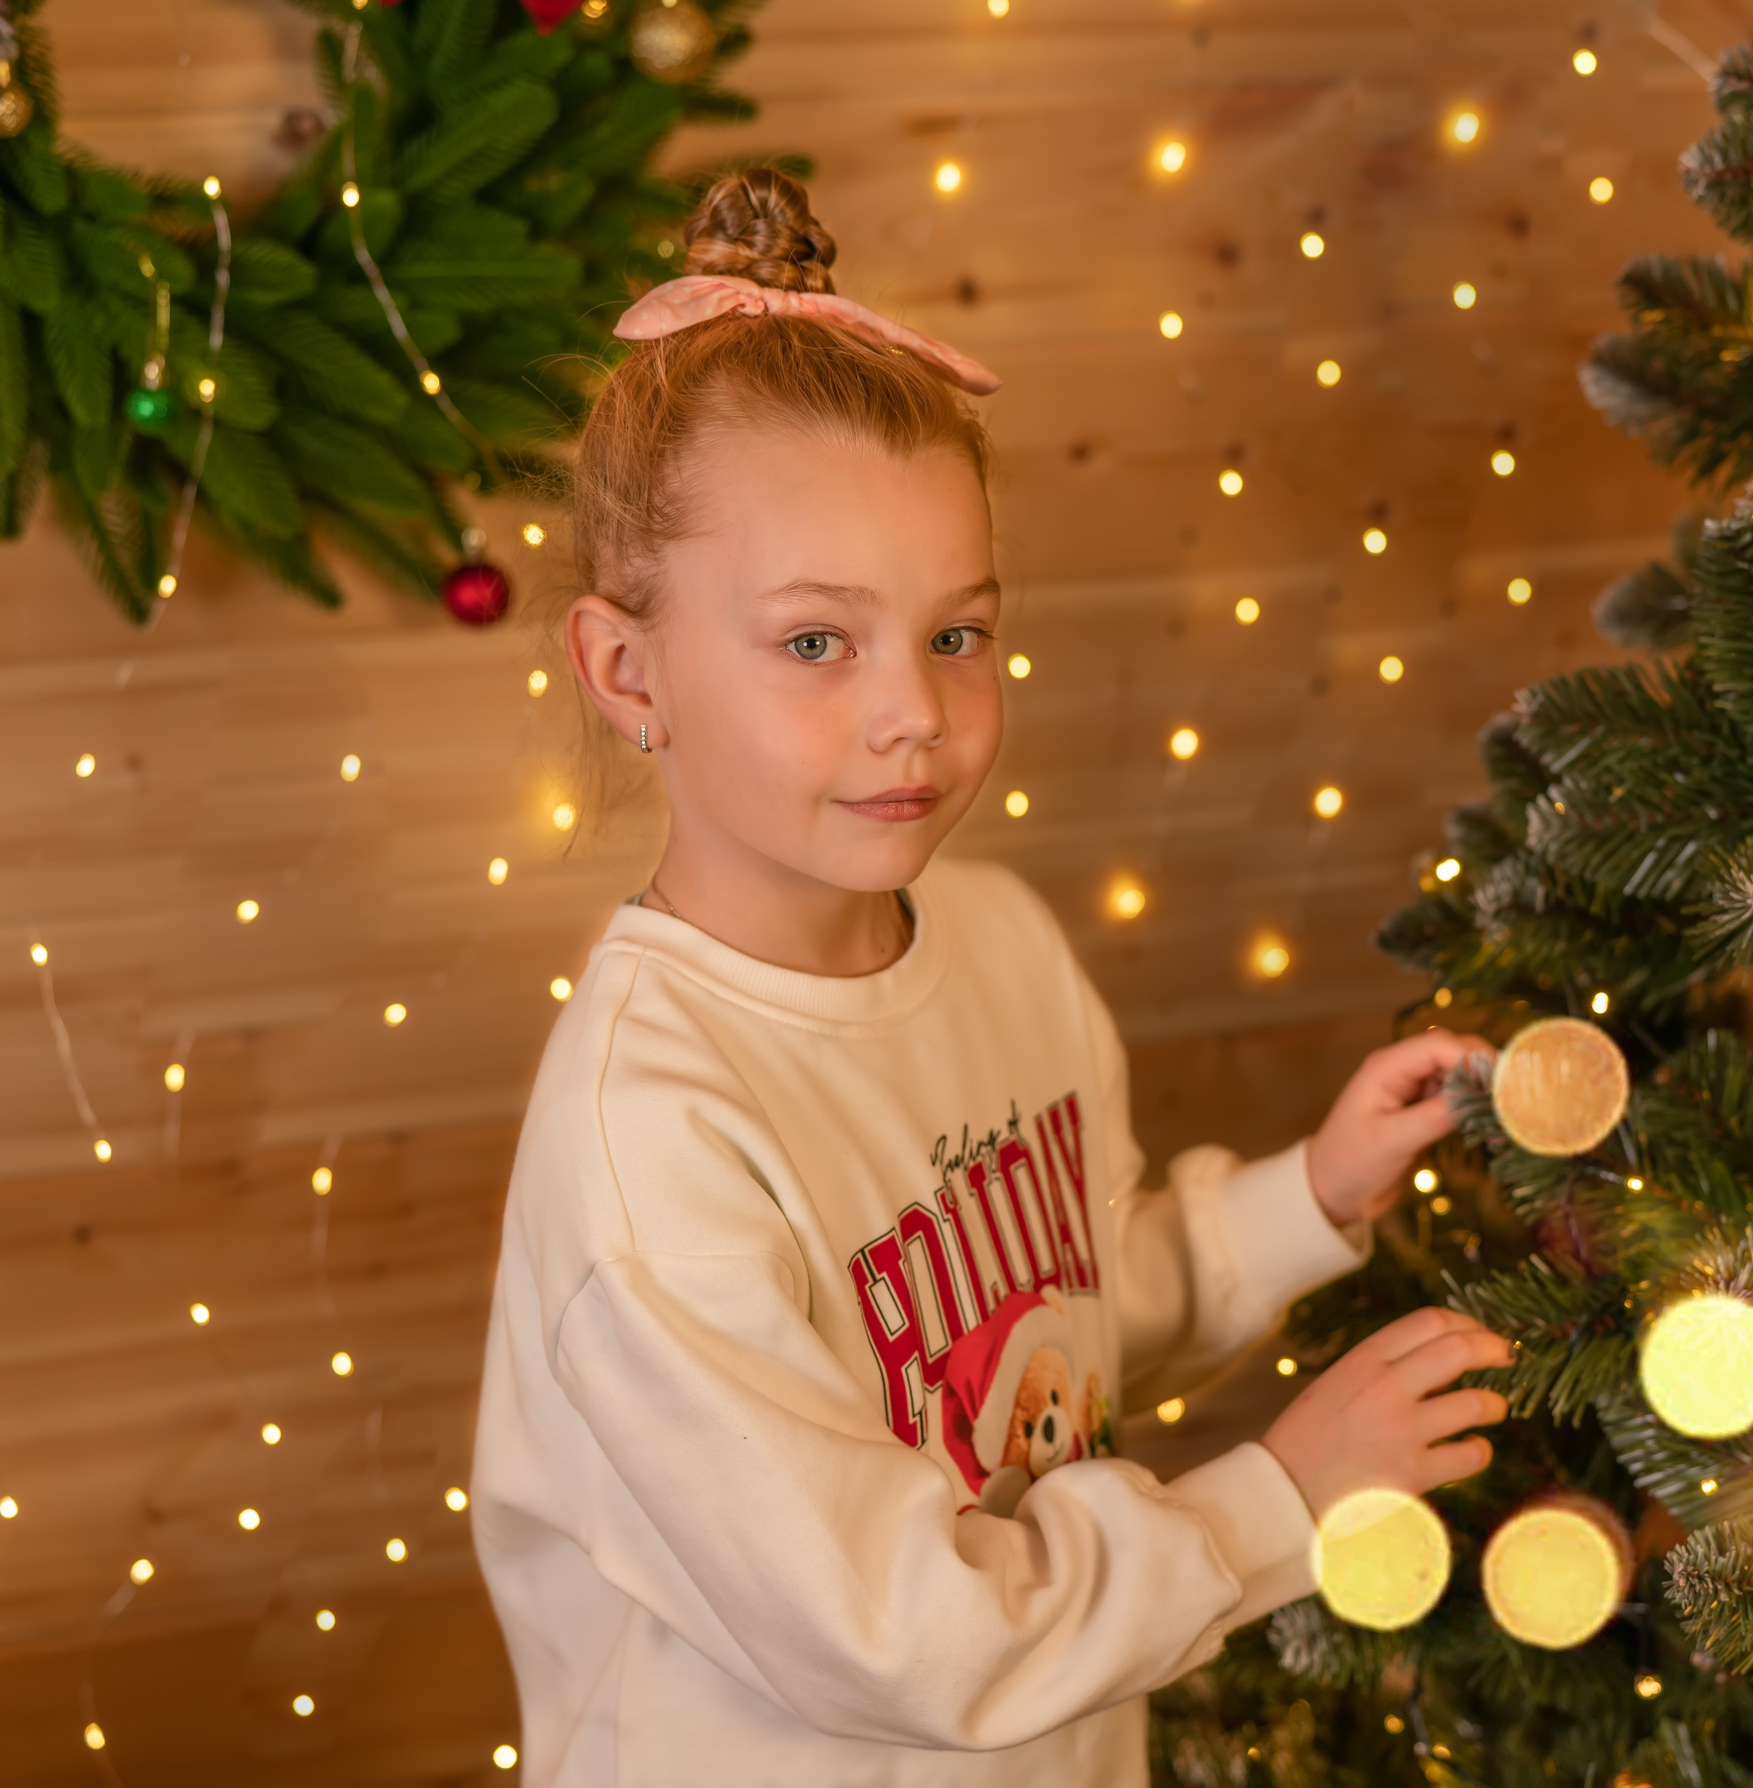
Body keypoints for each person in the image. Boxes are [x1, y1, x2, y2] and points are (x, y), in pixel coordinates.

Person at [470, 166, 1509, 1786]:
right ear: (628, 671)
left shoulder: (1006, 948)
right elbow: (903, 1631)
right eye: (818, 643)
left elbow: (1046, 1334)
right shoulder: (649, 1149)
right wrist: (1281, 1502)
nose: (917, 716)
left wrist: (1305, 1197)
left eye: (956, 635)